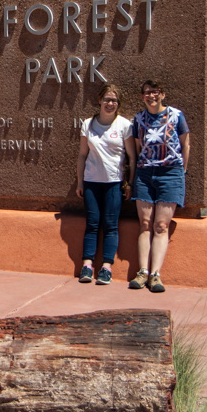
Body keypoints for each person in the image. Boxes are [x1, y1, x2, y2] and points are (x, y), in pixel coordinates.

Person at [128, 80, 190, 292]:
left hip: (170, 173)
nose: (151, 96)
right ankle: (142, 272)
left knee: (161, 226)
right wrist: (134, 177)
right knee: (145, 224)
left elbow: (185, 144)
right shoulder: (138, 119)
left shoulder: (176, 115)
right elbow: (137, 150)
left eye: (155, 92)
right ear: (142, 96)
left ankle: (156, 275)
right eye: (147, 93)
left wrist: (181, 171)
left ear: (163, 94)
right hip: (145, 174)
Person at [75, 84, 136, 285]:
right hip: (92, 182)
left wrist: (130, 183)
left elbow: (131, 158)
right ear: (99, 100)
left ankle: (106, 267)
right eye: (107, 99)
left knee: (111, 226)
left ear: (118, 104)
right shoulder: (88, 124)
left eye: (114, 101)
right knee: (92, 224)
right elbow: (82, 155)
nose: (110, 103)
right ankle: (87, 265)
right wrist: (80, 182)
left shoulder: (124, 126)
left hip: (114, 182)